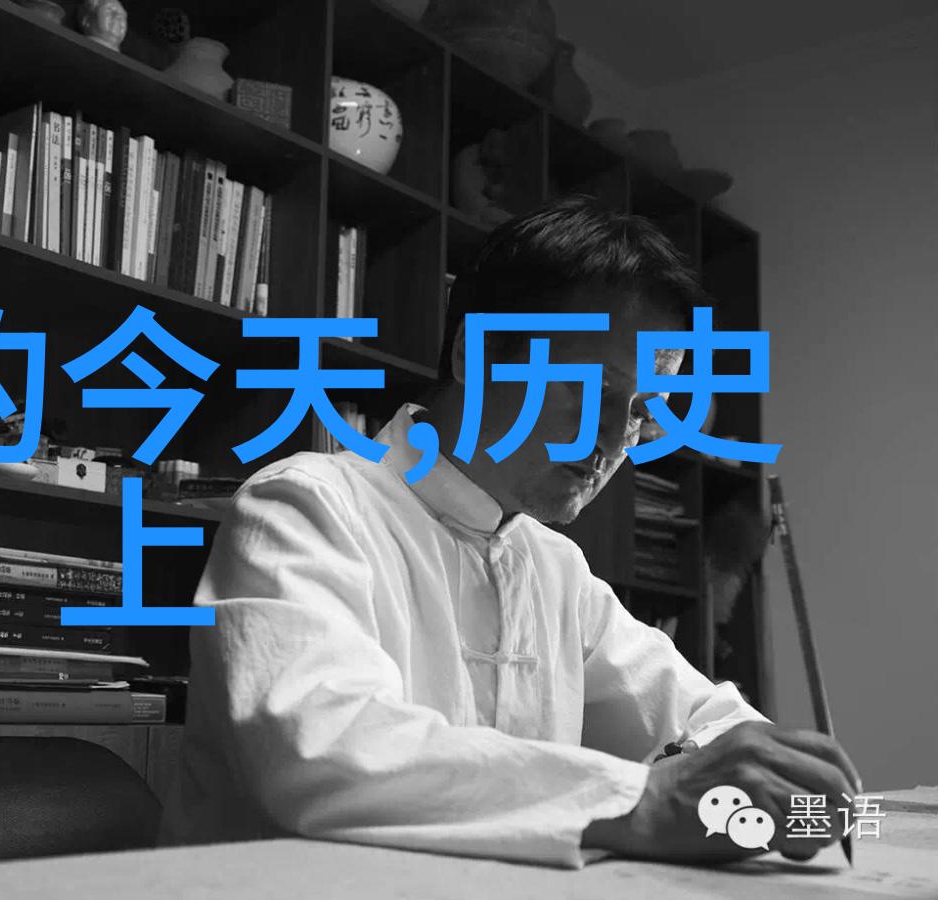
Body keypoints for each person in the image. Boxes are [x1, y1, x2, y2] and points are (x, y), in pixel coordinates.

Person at [157, 197, 861, 868]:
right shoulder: (304, 506)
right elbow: (318, 751)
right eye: (588, 390)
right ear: (477, 353)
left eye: (643, 412)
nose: (612, 439)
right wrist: (639, 800)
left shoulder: (554, 566)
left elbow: (693, 714)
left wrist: (776, 766)